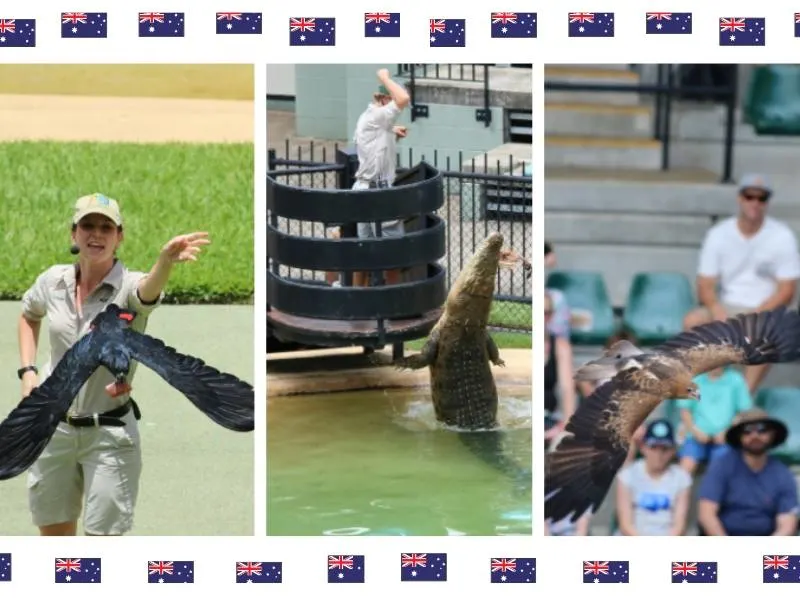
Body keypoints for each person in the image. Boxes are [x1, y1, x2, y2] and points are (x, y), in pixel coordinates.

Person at [18, 193, 210, 537]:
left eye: (106, 227)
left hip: (108, 434)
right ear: (73, 233)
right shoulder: (52, 281)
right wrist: (28, 372)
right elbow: (29, 316)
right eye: (88, 225)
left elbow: (147, 294)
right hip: (52, 430)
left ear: (119, 236)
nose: (96, 234)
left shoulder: (128, 287)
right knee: (55, 543)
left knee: (102, 553)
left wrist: (165, 261)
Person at [682, 174, 800, 392]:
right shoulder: (719, 234)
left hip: (766, 309)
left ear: (767, 202)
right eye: (749, 196)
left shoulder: (782, 236)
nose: (755, 203)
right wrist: (717, 309)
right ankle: (710, 391)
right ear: (740, 198)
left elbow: (787, 290)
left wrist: (755, 315)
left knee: (766, 330)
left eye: (761, 198)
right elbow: (705, 284)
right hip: (728, 305)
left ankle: (744, 398)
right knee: (693, 321)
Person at [351, 67, 410, 287]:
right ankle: (392, 302)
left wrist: (394, 133)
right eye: (390, 98)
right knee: (393, 252)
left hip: (364, 189)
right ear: (383, 98)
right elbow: (403, 98)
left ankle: (359, 299)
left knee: (364, 252)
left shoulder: (374, 120)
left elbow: (378, 145)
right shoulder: (378, 115)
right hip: (379, 192)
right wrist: (384, 77)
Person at [697, 408, 799, 536]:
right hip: (722, 543)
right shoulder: (721, 465)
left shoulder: (783, 474)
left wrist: (762, 552)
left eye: (762, 429)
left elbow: (787, 524)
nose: (755, 435)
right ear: (740, 436)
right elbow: (706, 515)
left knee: (794, 556)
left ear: (772, 434)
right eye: (747, 430)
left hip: (766, 546)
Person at [615, 420, 692, 536]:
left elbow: (679, 525)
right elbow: (625, 525)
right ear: (643, 447)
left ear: (673, 450)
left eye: (664, 448)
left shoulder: (681, 478)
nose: (658, 454)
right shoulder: (628, 475)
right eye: (653, 447)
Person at [676, 363, 753, 476]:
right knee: (684, 470)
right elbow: (685, 411)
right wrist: (695, 431)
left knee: (720, 471)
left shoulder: (736, 380)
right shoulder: (694, 380)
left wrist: (727, 432)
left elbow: (742, 413)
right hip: (696, 436)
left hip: (725, 439)